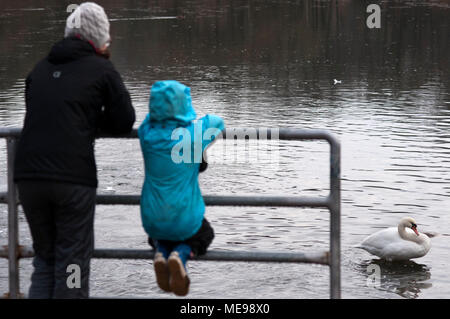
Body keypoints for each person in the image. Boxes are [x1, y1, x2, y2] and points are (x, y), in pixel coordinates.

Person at [14, 2, 135, 298]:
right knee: (72, 265)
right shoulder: (102, 69)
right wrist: (91, 120)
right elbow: (124, 121)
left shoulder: (40, 69)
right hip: (71, 180)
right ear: (100, 36)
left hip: (29, 178)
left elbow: (42, 111)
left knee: (45, 259)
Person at [138, 80, 224, 296]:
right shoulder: (193, 135)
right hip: (184, 217)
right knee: (203, 234)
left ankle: (161, 253)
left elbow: (149, 120)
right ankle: (182, 255)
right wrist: (191, 121)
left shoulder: (146, 134)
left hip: (153, 218)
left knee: (160, 235)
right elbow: (217, 122)